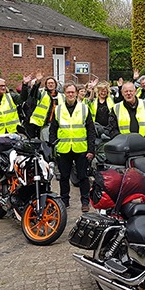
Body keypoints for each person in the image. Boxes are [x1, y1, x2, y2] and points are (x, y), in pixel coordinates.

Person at [49, 82, 96, 212]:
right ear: (64, 93)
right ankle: (65, 201)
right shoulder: (58, 109)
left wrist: (91, 149)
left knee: (83, 177)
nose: (70, 94)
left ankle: (85, 201)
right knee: (64, 177)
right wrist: (53, 145)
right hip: (63, 149)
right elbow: (53, 130)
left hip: (81, 148)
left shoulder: (84, 108)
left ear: (76, 93)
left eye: (72, 92)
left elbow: (91, 130)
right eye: (68, 92)